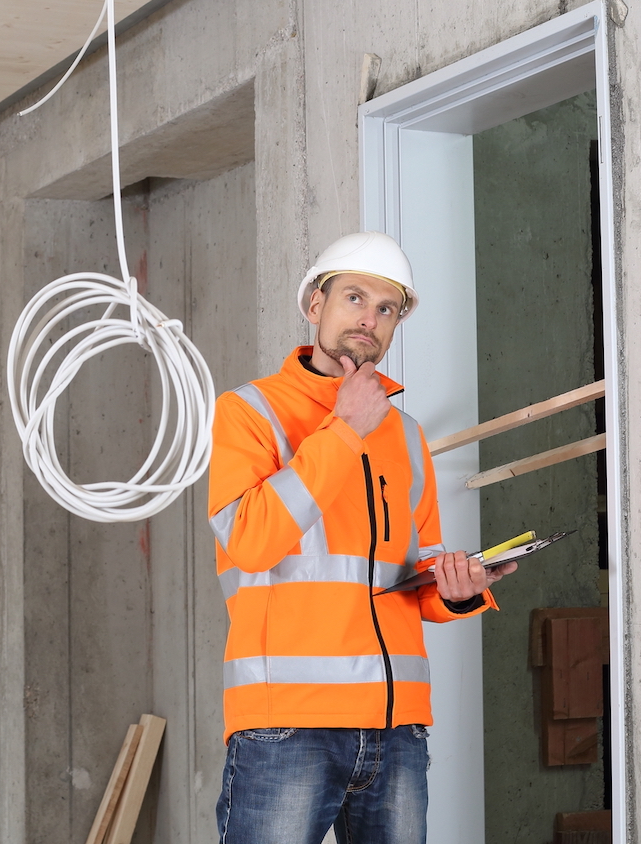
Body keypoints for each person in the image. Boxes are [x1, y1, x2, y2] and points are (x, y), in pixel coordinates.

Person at [208, 231, 519, 844]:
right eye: (354, 298)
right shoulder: (248, 411)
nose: (369, 320)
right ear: (314, 304)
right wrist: (344, 430)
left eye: (387, 308)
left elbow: (416, 570)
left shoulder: (405, 435)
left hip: (396, 726)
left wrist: (459, 589)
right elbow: (249, 539)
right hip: (286, 725)